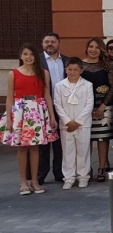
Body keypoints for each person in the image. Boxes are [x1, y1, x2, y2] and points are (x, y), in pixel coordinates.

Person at [1, 44, 57, 195]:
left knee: (35, 146)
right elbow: (10, 97)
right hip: (20, 110)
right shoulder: (13, 74)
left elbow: (47, 94)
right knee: (22, 147)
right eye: (25, 54)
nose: (28, 57)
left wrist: (51, 115)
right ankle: (23, 182)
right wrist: (9, 119)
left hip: (37, 110)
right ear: (21, 56)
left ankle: (35, 180)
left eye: (31, 54)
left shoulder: (43, 73)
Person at [53, 58, 94, 190]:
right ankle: (69, 177)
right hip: (66, 125)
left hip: (83, 124)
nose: (72, 72)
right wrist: (67, 121)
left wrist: (77, 121)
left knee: (83, 150)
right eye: (70, 69)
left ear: (81, 70)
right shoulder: (59, 86)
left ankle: (83, 176)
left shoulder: (87, 85)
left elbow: (89, 104)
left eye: (76, 69)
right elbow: (57, 105)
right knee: (68, 151)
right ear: (65, 70)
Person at [82, 38, 113, 182]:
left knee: (102, 139)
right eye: (91, 46)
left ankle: (102, 168)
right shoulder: (80, 65)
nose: (93, 50)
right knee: (86, 139)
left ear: (101, 50)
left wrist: (103, 105)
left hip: (104, 106)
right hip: (85, 108)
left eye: (97, 47)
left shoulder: (107, 66)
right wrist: (86, 108)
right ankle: (86, 168)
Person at [38, 32, 69, 185]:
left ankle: (59, 172)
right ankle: (40, 174)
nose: (49, 44)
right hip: (42, 106)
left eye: (53, 42)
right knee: (43, 143)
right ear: (42, 44)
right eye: (46, 42)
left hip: (63, 106)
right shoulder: (36, 61)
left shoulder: (67, 61)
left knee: (60, 143)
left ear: (58, 43)